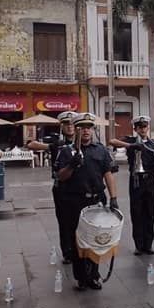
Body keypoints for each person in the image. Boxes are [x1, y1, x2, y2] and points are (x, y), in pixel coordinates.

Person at [56, 113, 118, 291]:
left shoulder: (100, 150)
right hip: (74, 201)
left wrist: (113, 198)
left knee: (95, 239)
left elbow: (108, 174)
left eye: (88, 127)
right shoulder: (67, 151)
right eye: (81, 127)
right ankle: (81, 276)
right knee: (79, 241)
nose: (85, 131)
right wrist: (71, 165)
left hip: (96, 200)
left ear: (92, 130)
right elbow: (61, 176)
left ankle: (94, 275)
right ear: (75, 130)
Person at [28, 111, 76, 264]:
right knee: (64, 221)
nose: (69, 127)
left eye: (72, 124)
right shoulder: (55, 139)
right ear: (61, 126)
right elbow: (31, 144)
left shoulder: (82, 140)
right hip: (61, 186)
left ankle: (79, 250)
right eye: (66, 124)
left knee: (79, 221)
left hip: (79, 186)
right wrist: (51, 146)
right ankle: (67, 252)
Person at [109, 116, 154, 255]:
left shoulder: (153, 143)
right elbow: (112, 141)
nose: (143, 129)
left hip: (150, 181)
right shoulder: (130, 140)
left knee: (150, 213)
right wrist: (130, 146)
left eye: (145, 126)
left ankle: (148, 244)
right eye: (140, 127)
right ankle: (139, 244)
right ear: (135, 129)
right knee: (137, 213)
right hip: (136, 180)